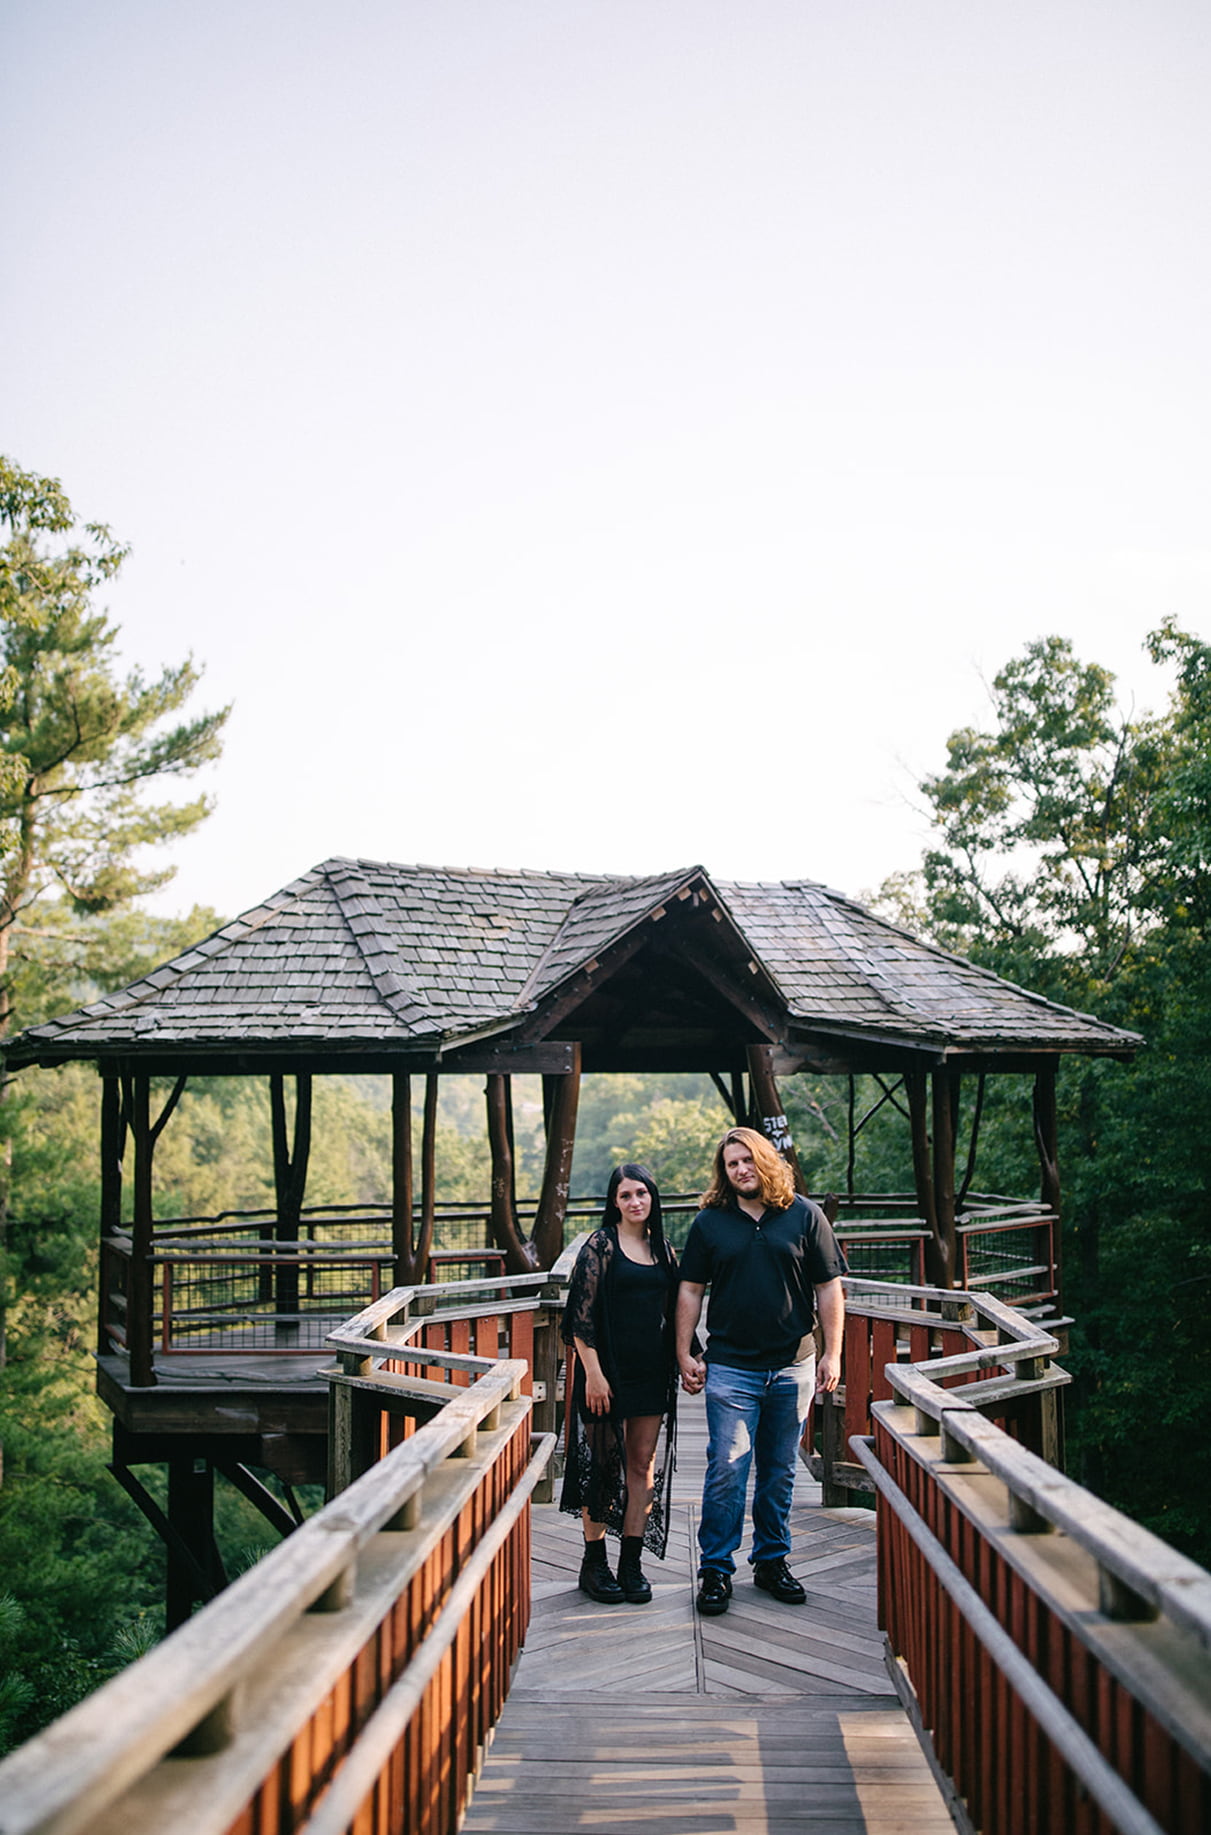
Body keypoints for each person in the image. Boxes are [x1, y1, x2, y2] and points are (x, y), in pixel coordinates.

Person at [675, 1126, 846, 1617]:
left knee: (779, 1472)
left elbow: (829, 1288)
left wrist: (833, 1354)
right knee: (727, 1469)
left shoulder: (805, 1217)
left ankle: (772, 1561)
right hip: (731, 1368)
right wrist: (685, 1350)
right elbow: (690, 1289)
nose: (741, 1170)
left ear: (765, 1161)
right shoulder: (710, 1223)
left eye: (748, 1160)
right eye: (731, 1164)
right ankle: (715, 1569)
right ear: (724, 1172)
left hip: (794, 1366)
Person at [560, 1162, 681, 1605]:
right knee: (603, 1465)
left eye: (642, 1193)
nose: (635, 1202)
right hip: (604, 1374)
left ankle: (632, 1563)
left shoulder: (663, 1251)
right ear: (615, 1201)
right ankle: (595, 1563)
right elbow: (579, 1317)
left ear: (653, 1198)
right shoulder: (600, 1246)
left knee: (641, 1464)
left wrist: (689, 1358)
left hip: (650, 1372)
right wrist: (592, 1373)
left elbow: (677, 1312)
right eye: (626, 1195)